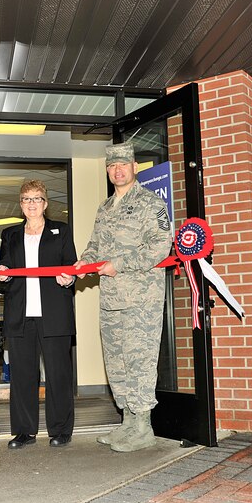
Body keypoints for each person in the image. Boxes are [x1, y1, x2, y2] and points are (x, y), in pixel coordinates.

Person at [75, 142, 173, 452]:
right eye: (112, 166)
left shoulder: (151, 203)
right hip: (111, 300)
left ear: (134, 167)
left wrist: (119, 264)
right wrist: (83, 262)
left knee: (138, 360)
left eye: (124, 165)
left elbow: (161, 246)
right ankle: (127, 423)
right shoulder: (105, 208)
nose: (118, 170)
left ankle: (143, 426)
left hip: (141, 301)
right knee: (116, 362)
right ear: (108, 170)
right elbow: (94, 246)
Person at [0, 180, 78, 449]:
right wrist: (2, 274)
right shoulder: (10, 234)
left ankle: (60, 430)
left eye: (37, 198)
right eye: (26, 199)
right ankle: (24, 431)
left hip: (53, 314)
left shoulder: (61, 231)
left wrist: (68, 279)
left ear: (45, 203)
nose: (32, 203)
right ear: (20, 204)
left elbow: (70, 268)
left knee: (58, 374)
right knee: (22, 376)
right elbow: (4, 269)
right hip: (20, 314)